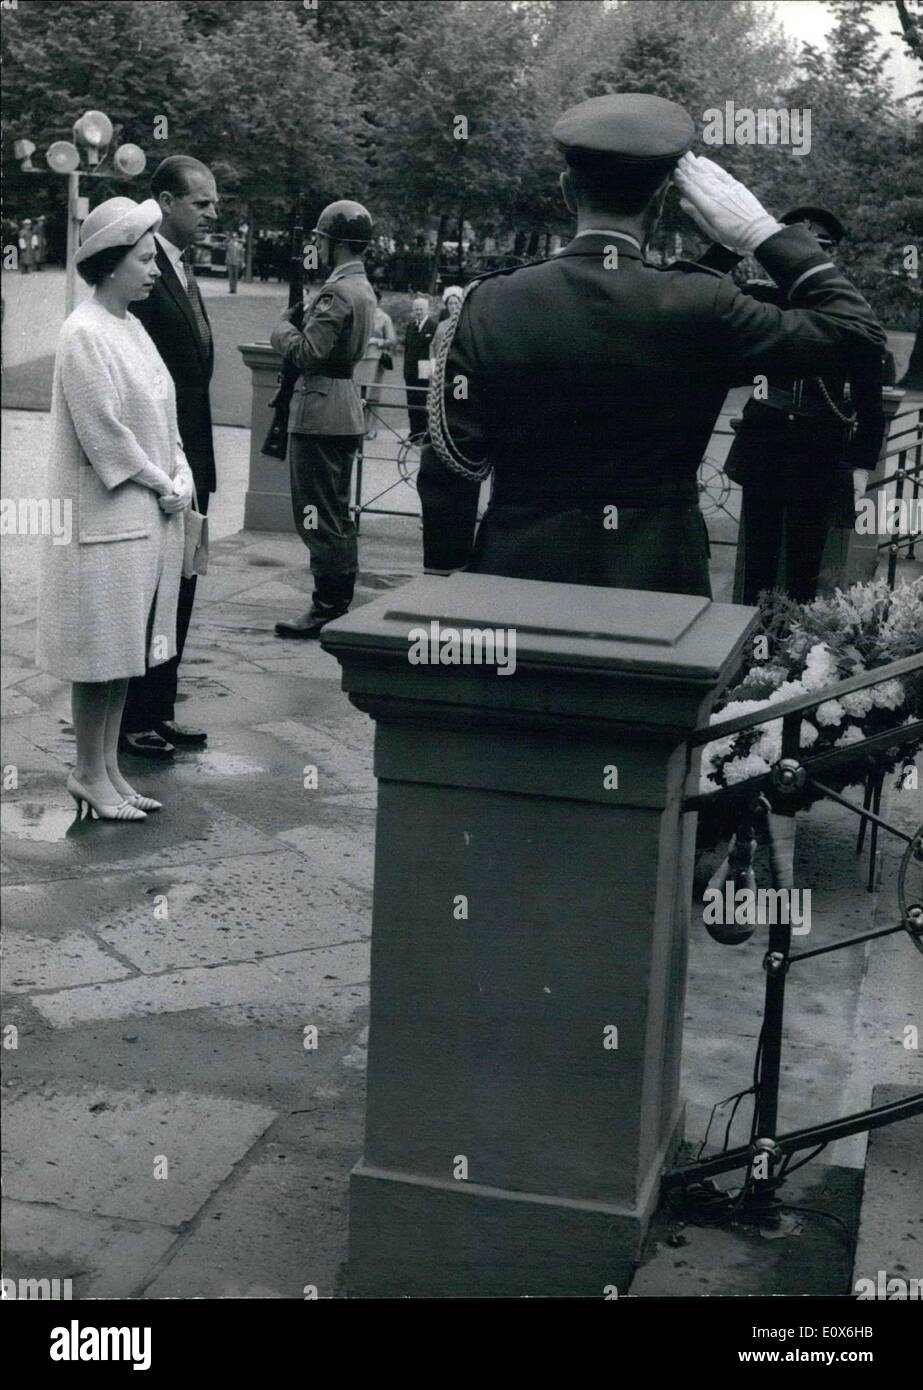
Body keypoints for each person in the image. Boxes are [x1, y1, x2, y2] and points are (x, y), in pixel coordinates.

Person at [422, 93, 886, 596]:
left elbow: (449, 468)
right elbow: (858, 337)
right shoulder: (704, 304)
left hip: (514, 574)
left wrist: (445, 578)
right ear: (664, 203)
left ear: (566, 191)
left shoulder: (489, 302)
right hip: (661, 581)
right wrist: (762, 233)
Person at [36, 196, 193, 821]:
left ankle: (107, 770)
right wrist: (163, 480)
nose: (155, 269)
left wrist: (180, 468)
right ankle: (86, 772)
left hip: (140, 519)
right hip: (101, 523)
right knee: (97, 656)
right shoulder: (83, 333)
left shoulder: (132, 327)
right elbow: (108, 437)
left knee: (124, 654)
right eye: (145, 258)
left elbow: (164, 415)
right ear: (111, 262)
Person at [703, 207, 887, 603]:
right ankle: (751, 651)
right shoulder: (759, 298)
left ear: (828, 254)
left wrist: (862, 461)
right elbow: (700, 288)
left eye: (819, 247)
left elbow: (870, 391)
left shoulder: (843, 308)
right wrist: (735, 244)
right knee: (758, 560)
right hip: (765, 438)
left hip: (820, 444)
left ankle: (793, 652)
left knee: (806, 563)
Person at [119, 154, 219, 759]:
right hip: (161, 462)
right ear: (165, 202)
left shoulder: (180, 269)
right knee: (150, 592)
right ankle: (133, 717)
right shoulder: (148, 271)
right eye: (202, 203)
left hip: (192, 459)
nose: (213, 213)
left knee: (180, 587)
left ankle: (160, 708)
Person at [272, 199, 376, 640]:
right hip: (343, 408)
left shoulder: (336, 293)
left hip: (320, 413)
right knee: (336, 513)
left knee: (316, 512)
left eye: (321, 239)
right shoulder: (362, 287)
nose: (316, 245)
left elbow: (307, 352)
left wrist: (281, 330)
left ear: (334, 243)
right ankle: (337, 601)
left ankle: (327, 606)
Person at [356, 288, 398, 439]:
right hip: (359, 360)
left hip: (375, 359)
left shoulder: (384, 318)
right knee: (358, 395)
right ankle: (358, 428)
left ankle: (371, 428)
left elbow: (392, 340)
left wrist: (377, 341)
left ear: (378, 300)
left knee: (372, 396)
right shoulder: (360, 315)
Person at [403, 295, 437, 442]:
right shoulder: (410, 326)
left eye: (421, 309)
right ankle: (413, 433)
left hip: (425, 369)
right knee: (411, 403)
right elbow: (407, 349)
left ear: (427, 310)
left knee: (423, 402)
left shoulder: (433, 326)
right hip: (410, 370)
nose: (418, 312)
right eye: (416, 309)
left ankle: (423, 434)